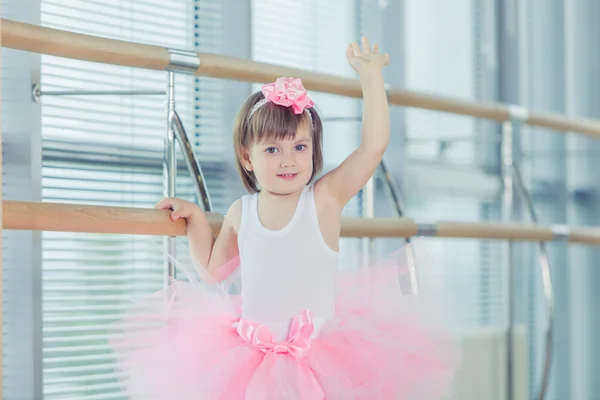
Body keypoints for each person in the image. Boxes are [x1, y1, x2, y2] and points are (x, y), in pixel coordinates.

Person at [109, 37, 460, 399]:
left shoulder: (324, 199)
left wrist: (371, 78)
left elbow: (373, 147)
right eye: (273, 149)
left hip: (320, 358)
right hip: (250, 361)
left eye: (300, 147)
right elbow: (214, 272)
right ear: (247, 157)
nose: (288, 160)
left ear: (314, 150)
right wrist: (196, 220)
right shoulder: (241, 211)